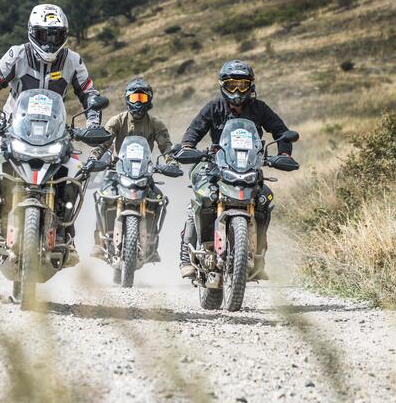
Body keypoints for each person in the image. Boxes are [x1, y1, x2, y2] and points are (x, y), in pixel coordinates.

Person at [0, 3, 101, 261]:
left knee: (71, 173)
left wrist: (94, 122)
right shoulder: (16, 54)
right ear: (32, 33)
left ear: (64, 35)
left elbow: (90, 94)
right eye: (44, 35)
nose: (50, 43)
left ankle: (68, 237)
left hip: (56, 130)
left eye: (56, 36)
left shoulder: (73, 60)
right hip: (15, 127)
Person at [177, 60, 295, 279]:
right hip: (216, 165)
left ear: (251, 86)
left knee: (263, 201)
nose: (238, 91)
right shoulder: (214, 107)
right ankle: (186, 257)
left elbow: (281, 131)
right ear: (223, 86)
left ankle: (257, 257)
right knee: (200, 197)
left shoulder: (259, 108)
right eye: (232, 85)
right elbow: (194, 129)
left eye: (243, 85)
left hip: (250, 166)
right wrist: (188, 147)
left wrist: (284, 154)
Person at [89, 77, 180, 260]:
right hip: (117, 170)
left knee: (158, 199)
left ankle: (152, 242)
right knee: (103, 196)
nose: (138, 102)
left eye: (143, 98)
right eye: (135, 97)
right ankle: (99, 242)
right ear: (127, 99)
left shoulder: (156, 124)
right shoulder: (117, 121)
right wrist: (93, 157)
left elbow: (167, 148)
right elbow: (103, 143)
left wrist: (172, 163)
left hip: (145, 172)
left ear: (149, 101)